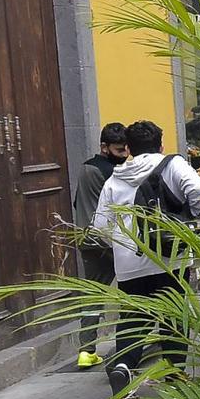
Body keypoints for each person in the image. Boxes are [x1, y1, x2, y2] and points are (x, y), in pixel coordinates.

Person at [92, 119, 200, 393]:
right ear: (160, 144)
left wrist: (122, 244)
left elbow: (100, 226)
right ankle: (175, 375)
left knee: (132, 318)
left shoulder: (114, 179)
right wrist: (193, 223)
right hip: (170, 260)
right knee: (173, 317)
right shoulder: (173, 164)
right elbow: (199, 190)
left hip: (129, 264)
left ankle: (124, 367)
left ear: (129, 148)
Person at [69, 123, 129, 370]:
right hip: (111, 241)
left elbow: (76, 203)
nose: (124, 155)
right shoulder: (114, 173)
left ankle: (86, 351)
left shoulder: (85, 168)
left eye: (126, 149)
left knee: (93, 296)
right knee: (130, 292)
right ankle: (128, 346)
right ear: (104, 147)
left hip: (86, 240)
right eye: (119, 150)